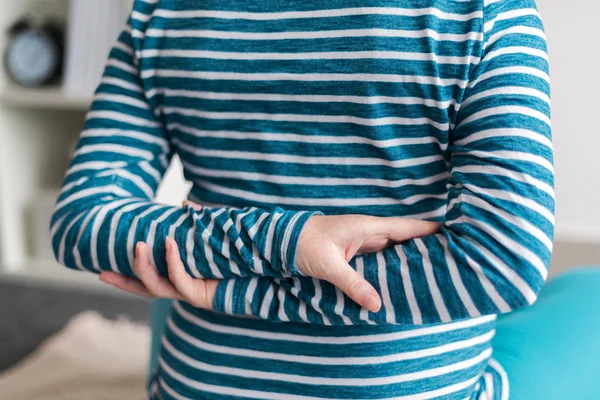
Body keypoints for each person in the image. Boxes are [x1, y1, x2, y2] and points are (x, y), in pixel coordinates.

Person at [51, 0, 556, 398]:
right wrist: (295, 242)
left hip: (198, 383)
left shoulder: (161, 13)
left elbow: (82, 221)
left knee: (170, 269)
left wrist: (235, 282)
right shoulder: (482, 10)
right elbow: (505, 263)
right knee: (588, 295)